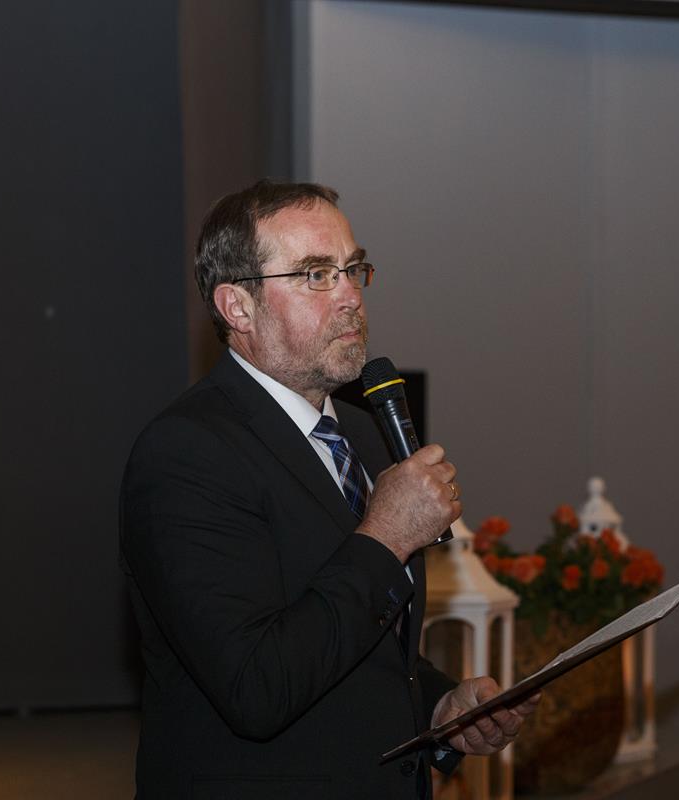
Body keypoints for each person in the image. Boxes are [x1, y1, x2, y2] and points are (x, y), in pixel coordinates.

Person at [119, 180, 537, 799]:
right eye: (316, 275)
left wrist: (438, 708)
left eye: (353, 269)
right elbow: (256, 686)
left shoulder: (364, 434)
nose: (349, 296)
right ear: (238, 308)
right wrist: (386, 536)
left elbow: (355, 643)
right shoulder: (186, 453)